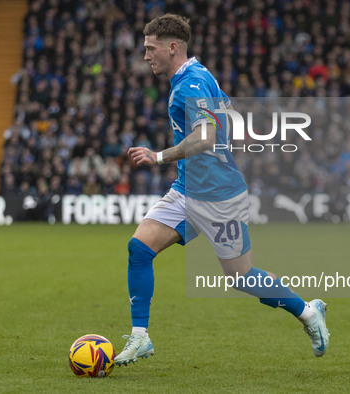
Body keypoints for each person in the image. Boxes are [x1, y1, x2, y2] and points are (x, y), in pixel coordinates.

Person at [114, 14, 329, 366]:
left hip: (218, 196)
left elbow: (206, 136)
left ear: (172, 48)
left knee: (242, 277)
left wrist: (158, 156)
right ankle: (140, 337)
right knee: (139, 247)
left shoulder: (191, 83)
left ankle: (308, 312)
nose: (145, 56)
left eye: (151, 49)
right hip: (188, 190)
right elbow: (228, 113)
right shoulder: (198, 76)